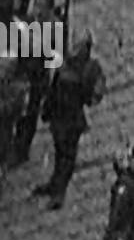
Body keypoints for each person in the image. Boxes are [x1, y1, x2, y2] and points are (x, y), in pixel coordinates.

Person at [34, 31, 105, 210]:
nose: (74, 48)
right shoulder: (65, 60)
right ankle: (54, 184)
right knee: (59, 153)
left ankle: (59, 193)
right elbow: (54, 83)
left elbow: (95, 96)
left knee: (67, 157)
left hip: (72, 119)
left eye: (78, 46)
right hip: (58, 114)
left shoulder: (92, 68)